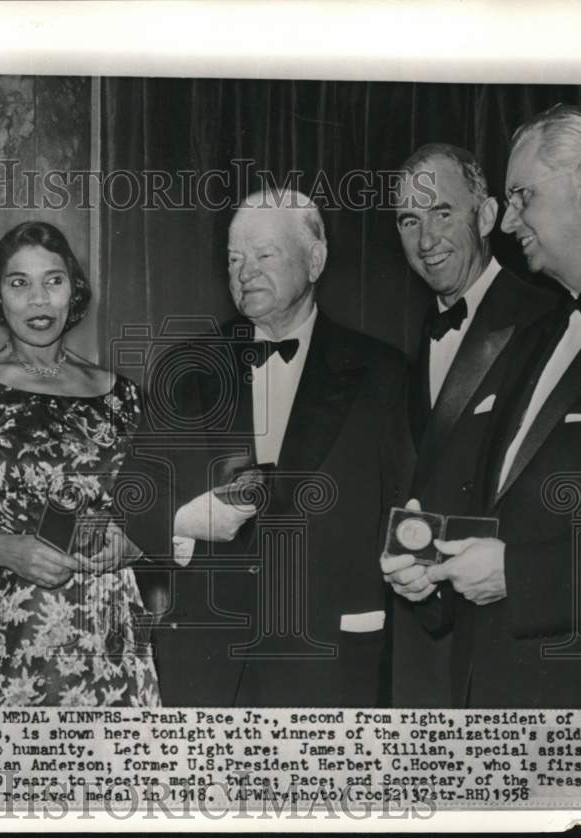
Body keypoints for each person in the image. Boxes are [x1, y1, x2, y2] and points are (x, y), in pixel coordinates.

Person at [391, 105, 581, 708]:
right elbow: (503, 507)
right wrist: (432, 565)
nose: (509, 218)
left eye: (521, 195)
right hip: (492, 695)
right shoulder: (541, 332)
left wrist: (517, 576)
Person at [123, 189, 414, 706]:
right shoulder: (187, 368)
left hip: (334, 661)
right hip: (207, 662)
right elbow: (132, 497)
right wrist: (185, 521)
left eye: (264, 254)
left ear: (315, 259)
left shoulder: (385, 375)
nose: (245, 271)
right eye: (234, 258)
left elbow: (406, 511)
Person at [0, 220, 159, 706]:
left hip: (106, 632)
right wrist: (7, 550)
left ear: (73, 292)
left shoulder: (124, 396)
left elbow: (156, 510)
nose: (38, 300)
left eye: (53, 281)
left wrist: (131, 545)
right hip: (1, 630)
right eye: (19, 283)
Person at [384, 144, 558, 707]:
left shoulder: (548, 321)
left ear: (485, 217)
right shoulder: (410, 340)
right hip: (426, 643)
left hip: (503, 647)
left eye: (441, 213)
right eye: (409, 220)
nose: (426, 238)